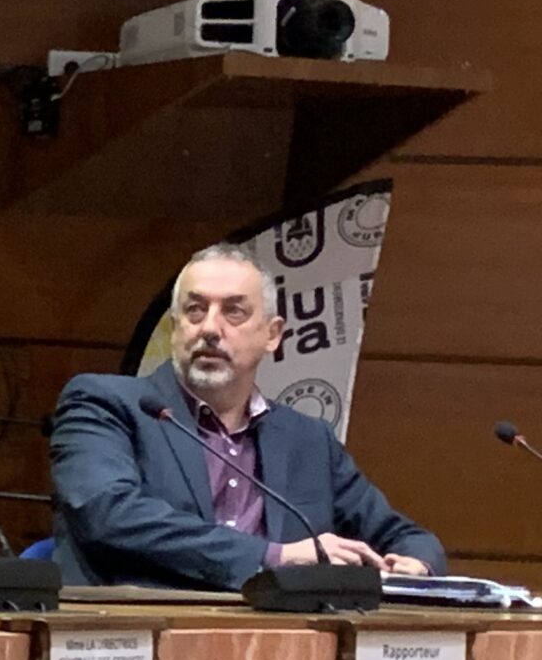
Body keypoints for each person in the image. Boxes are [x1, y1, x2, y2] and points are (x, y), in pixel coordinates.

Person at [50, 243, 444, 586]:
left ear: (272, 334)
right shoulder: (107, 403)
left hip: (278, 640)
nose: (210, 328)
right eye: (195, 310)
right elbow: (109, 514)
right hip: (139, 631)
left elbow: (403, 535)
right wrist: (276, 556)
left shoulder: (307, 440)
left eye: (233, 312)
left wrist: (415, 564)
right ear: (174, 328)